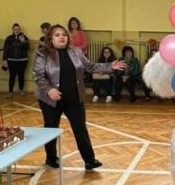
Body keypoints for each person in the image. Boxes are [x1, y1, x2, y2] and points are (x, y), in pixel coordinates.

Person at [33, 24, 124, 170]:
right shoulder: (42, 53)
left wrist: (109, 66)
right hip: (51, 99)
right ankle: (51, 158)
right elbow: (38, 75)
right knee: (51, 129)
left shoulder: (75, 51)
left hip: (74, 98)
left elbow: (90, 67)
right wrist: (48, 88)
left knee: (80, 128)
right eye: (57, 35)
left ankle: (89, 160)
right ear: (50, 38)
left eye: (64, 34)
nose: (61, 37)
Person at [3, 23, 30, 99]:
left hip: (23, 60)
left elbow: (27, 48)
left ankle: (21, 90)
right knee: (12, 76)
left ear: (20, 30)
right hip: (11, 60)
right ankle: (10, 92)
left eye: (18, 29)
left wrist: (23, 41)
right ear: (12, 30)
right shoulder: (9, 38)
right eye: (15, 29)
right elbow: (5, 49)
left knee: (21, 75)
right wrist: (4, 60)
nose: (16, 31)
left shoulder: (24, 37)